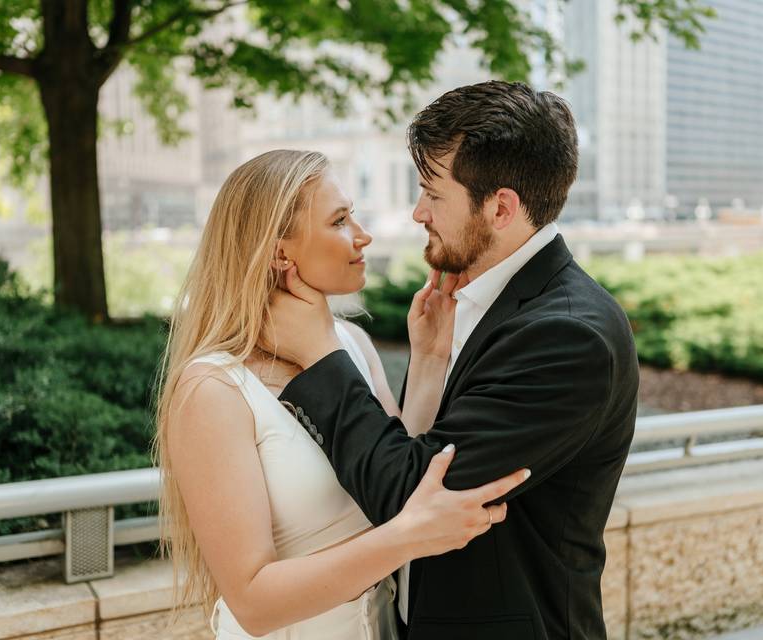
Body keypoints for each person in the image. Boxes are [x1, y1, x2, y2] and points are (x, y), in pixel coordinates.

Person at [266, 81, 640, 640]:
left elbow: (411, 495)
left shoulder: (566, 335)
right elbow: (431, 447)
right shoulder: (484, 303)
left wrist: (318, 353)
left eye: (433, 194)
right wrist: (430, 359)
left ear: (500, 207)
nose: (418, 213)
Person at [152, 149, 530, 640]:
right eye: (339, 220)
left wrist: (431, 360)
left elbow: (397, 483)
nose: (362, 234)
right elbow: (253, 602)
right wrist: (407, 538)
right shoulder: (212, 389)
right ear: (280, 252)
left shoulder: (349, 343)